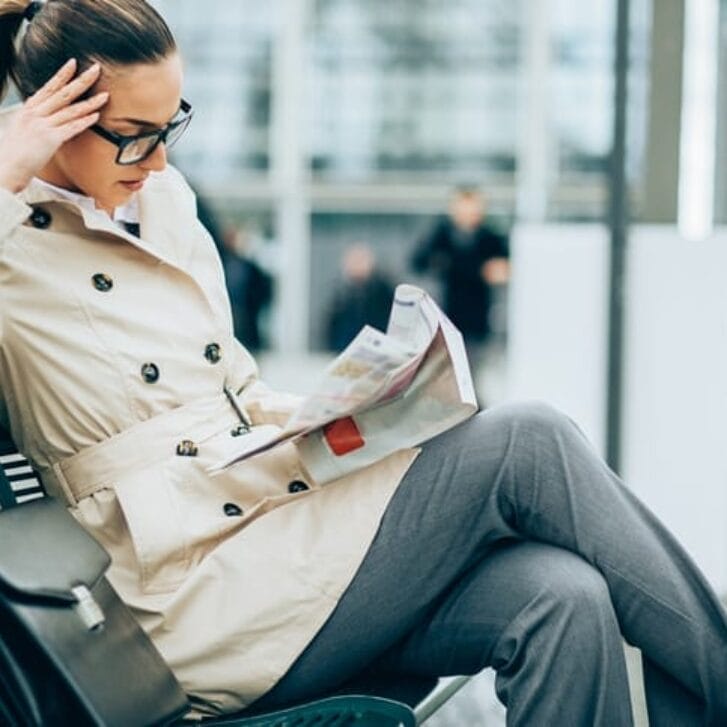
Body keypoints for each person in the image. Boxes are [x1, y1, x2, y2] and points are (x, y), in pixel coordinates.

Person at [0, 2, 724, 724]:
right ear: (47, 116)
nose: (158, 160)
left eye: (169, 128)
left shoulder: (163, 201)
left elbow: (234, 385)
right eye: (132, 137)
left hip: (267, 519)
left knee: (560, 594)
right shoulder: (11, 241)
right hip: (186, 595)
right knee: (527, 440)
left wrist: (355, 412)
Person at [411, 186, 510, 383]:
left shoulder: (490, 238)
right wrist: (477, 270)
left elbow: (503, 268)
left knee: (469, 377)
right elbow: (419, 262)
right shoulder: (441, 235)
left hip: (477, 320)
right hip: (447, 317)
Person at [325, 243, 395, 352]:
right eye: (353, 262)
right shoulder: (341, 297)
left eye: (360, 261)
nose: (356, 266)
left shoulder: (383, 293)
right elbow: (333, 330)